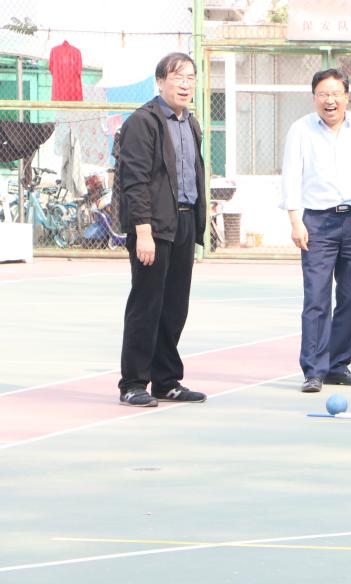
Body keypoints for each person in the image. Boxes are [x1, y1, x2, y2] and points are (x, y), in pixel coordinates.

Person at [281, 68, 351, 392]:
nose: (329, 100)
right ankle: (314, 371)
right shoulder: (300, 130)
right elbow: (291, 176)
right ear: (314, 97)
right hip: (317, 222)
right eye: (323, 94)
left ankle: (338, 365)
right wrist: (295, 221)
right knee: (316, 297)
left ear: (346, 96)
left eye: (335, 94)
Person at [117, 52, 207, 407]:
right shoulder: (143, 122)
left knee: (174, 307)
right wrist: (143, 232)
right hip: (153, 226)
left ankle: (166, 380)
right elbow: (135, 181)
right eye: (177, 77)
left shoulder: (191, 123)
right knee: (147, 304)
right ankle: (132, 383)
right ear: (160, 82)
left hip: (184, 222)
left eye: (190, 77)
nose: (185, 84)